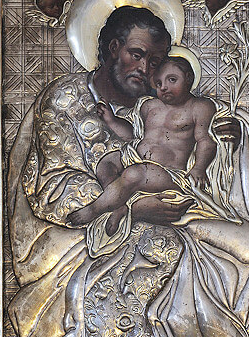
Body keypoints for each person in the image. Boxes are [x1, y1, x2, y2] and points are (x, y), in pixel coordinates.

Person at [6, 0, 249, 337]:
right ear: (111, 48)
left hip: (173, 204)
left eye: (155, 62)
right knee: (160, 249)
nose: (146, 69)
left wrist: (230, 143)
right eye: (136, 55)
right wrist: (133, 210)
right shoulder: (66, 98)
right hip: (80, 230)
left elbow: (203, 145)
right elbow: (53, 183)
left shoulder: (162, 102)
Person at [68, 56, 222, 234]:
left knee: (135, 174)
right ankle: (119, 205)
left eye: (172, 80)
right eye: (158, 83)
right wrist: (112, 121)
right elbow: (133, 135)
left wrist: (199, 168)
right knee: (106, 163)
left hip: (168, 173)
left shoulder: (199, 107)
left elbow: (205, 140)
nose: (163, 87)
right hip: (134, 158)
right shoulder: (149, 105)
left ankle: (94, 209)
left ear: (188, 78)